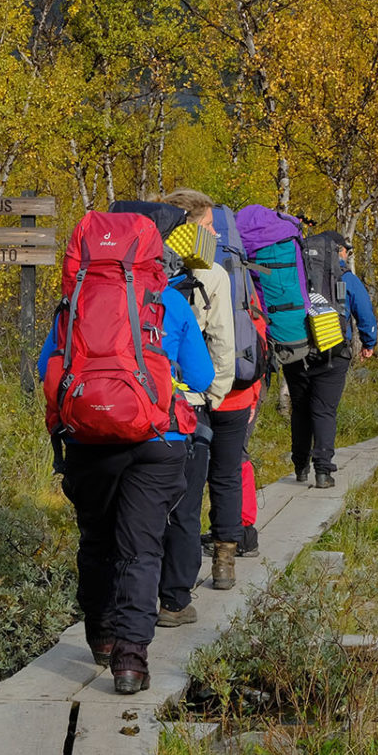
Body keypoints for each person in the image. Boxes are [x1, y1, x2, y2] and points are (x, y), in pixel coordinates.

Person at [39, 209, 214, 696]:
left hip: (86, 437)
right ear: (152, 253)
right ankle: (131, 662)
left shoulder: (73, 301)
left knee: (96, 540)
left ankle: (100, 636)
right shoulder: (169, 302)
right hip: (157, 443)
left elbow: (45, 369)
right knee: (142, 549)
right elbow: (200, 378)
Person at [151, 190, 238, 621]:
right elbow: (223, 343)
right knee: (184, 505)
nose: (215, 234)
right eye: (207, 226)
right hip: (185, 402)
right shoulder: (213, 275)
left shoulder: (132, 271)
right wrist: (212, 396)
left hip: (131, 399)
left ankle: (132, 598)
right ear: (189, 228)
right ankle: (175, 601)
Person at [282, 232, 378, 489]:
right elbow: (365, 313)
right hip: (334, 355)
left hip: (297, 353)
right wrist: (369, 343)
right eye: (347, 250)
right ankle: (323, 472)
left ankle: (300, 466)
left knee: (300, 409)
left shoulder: (296, 277)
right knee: (324, 411)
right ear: (339, 252)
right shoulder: (347, 279)